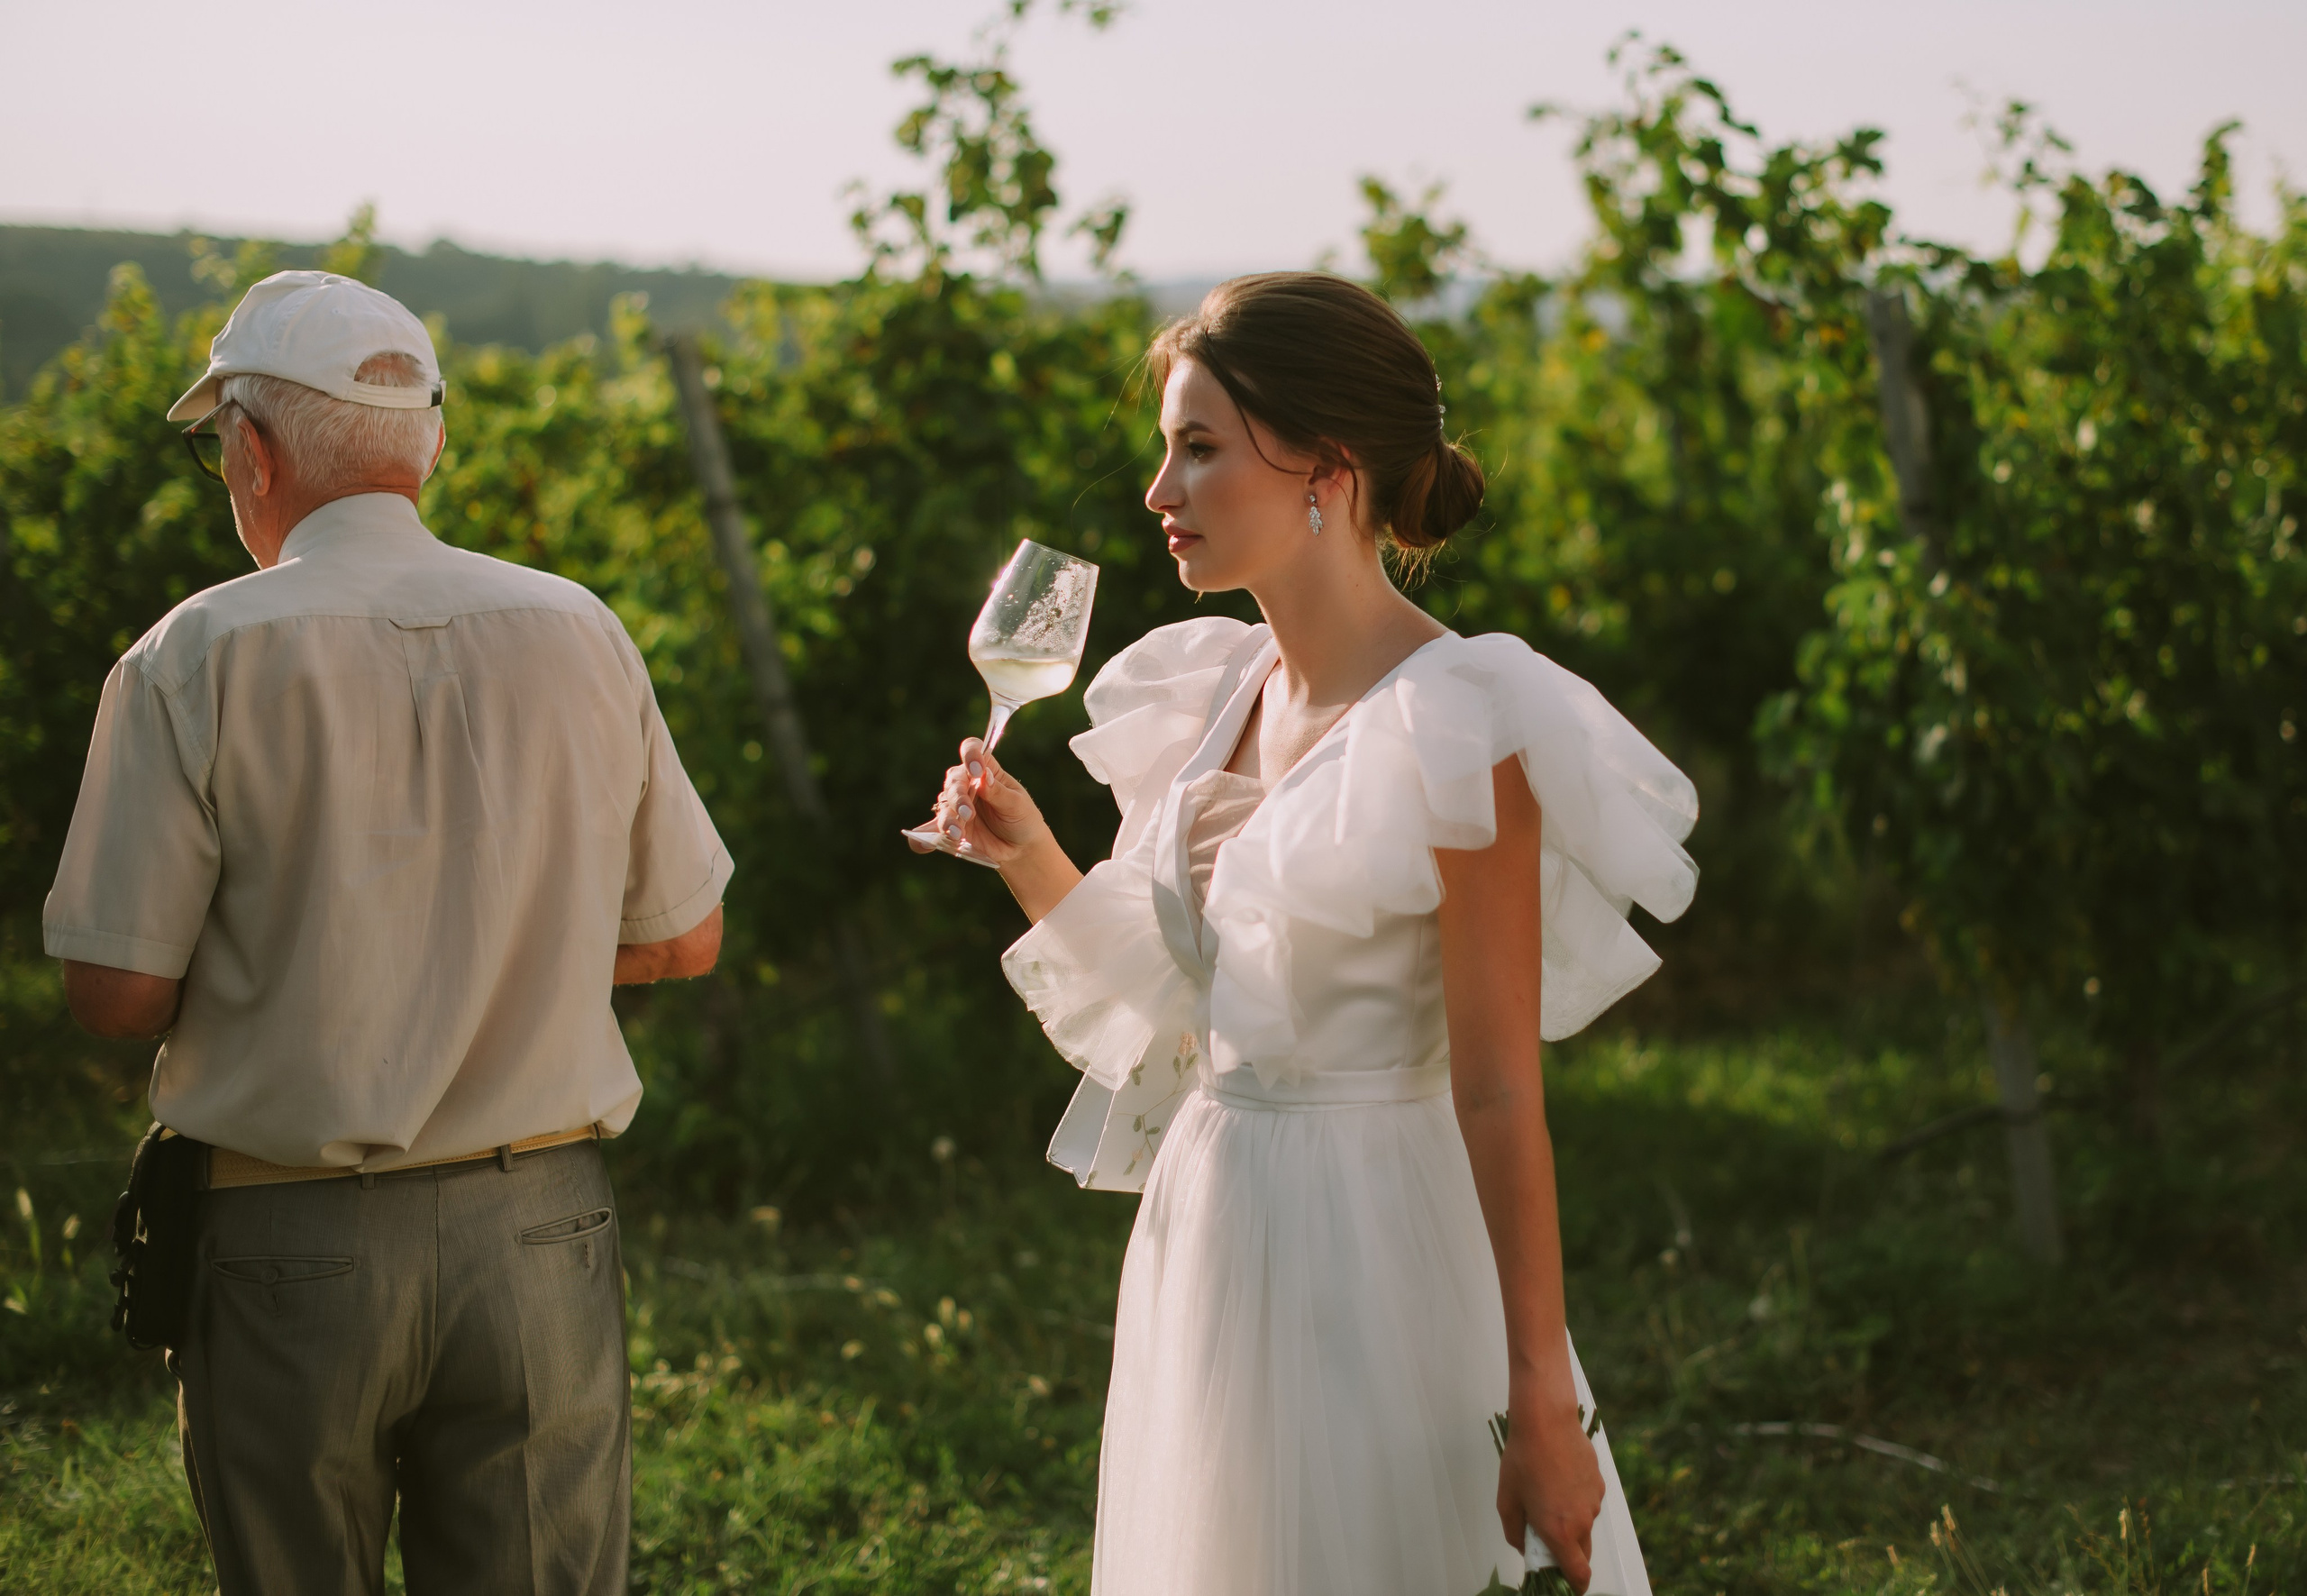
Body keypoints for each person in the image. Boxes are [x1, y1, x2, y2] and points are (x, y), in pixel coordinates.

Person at [916, 273, 1697, 1595]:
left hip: (1380, 1245)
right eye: (1168, 448)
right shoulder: (1216, 689)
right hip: (1212, 1222)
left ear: (1327, 472)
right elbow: (1189, 1000)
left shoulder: (1459, 718)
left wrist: (1542, 1400)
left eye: (1201, 448)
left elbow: (1502, 1086)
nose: (1160, 490)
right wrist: (1030, 854)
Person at [43, 270, 733, 1595]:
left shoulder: (191, 657)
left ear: (249, 449)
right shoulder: (578, 627)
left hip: (289, 1235)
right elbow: (686, 935)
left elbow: (118, 992)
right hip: (542, 1225)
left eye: (214, 450)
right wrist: (492, 952)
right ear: (428, 444)